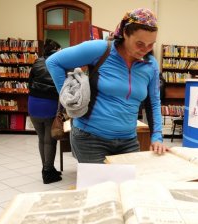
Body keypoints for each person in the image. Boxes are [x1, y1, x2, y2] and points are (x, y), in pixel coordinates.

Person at [46, 8, 168, 164]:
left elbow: (154, 103)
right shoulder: (101, 49)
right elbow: (53, 62)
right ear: (125, 33)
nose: (145, 50)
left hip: (128, 140)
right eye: (140, 44)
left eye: (151, 45)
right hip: (90, 139)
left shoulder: (151, 65)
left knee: (127, 187)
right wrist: (67, 98)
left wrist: (157, 136)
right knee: (99, 188)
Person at [28, 38, 62, 184]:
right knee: (50, 141)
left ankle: (47, 168)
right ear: (56, 49)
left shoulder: (37, 62)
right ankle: (48, 172)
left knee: (42, 139)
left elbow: (29, 83)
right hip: (50, 104)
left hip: (33, 103)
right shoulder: (59, 63)